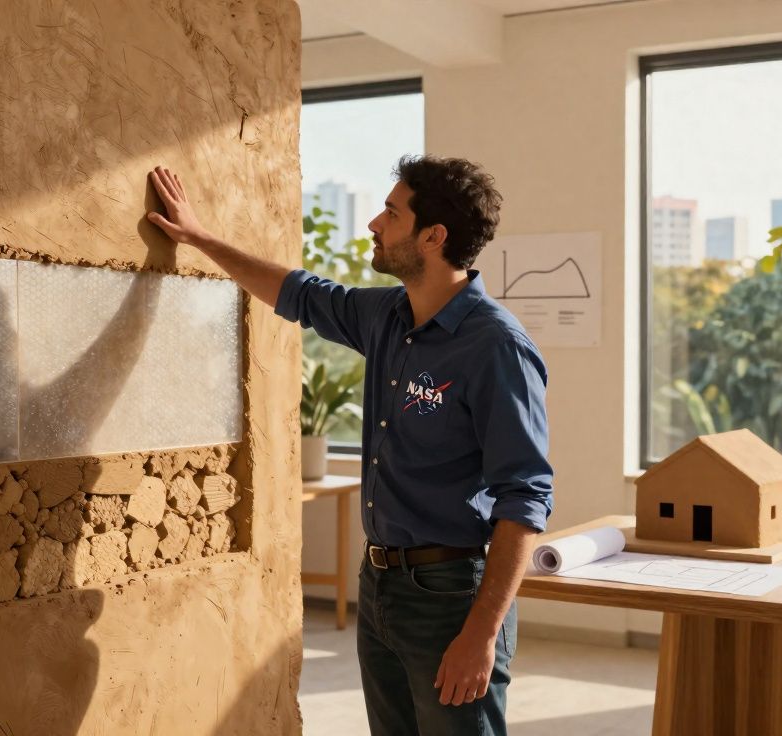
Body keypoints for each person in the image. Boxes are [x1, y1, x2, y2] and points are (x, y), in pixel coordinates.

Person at [146, 157, 553, 735]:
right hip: (380, 583)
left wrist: (481, 633)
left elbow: (525, 497)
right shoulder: (387, 316)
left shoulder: (495, 346)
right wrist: (199, 236)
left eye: (391, 213)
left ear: (433, 237)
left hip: (450, 597)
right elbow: (298, 293)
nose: (373, 225)